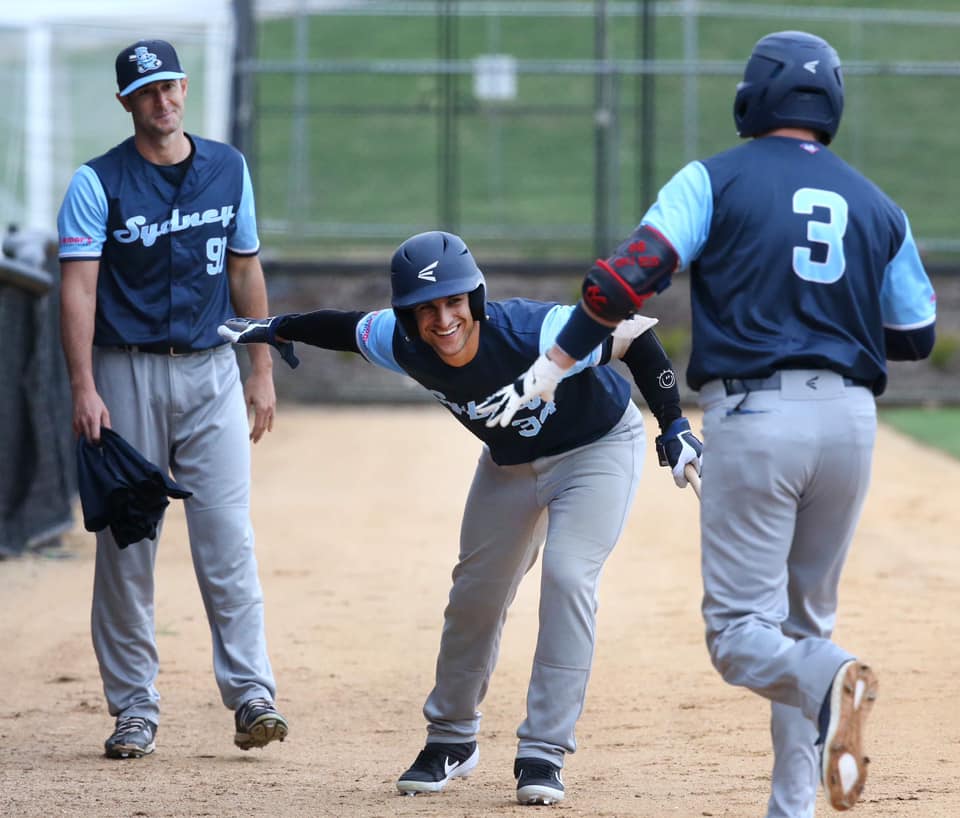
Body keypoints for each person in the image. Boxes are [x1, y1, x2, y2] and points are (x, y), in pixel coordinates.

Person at [479, 30, 936, 816]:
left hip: (759, 415)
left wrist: (552, 367)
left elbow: (624, 280)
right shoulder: (878, 204)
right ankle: (791, 803)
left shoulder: (714, 179)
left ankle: (835, 680)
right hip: (853, 422)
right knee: (805, 626)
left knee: (739, 638)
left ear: (752, 99)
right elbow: (918, 335)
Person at [218, 229, 703, 805]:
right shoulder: (398, 342)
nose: (442, 320)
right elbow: (341, 325)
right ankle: (451, 739)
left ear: (474, 298)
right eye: (425, 309)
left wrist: (672, 422)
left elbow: (634, 337)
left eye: (453, 302)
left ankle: (544, 751)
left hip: (595, 448)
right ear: (406, 316)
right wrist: (278, 329)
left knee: (569, 578)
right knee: (475, 593)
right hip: (511, 464)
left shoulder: (535, 331)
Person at [57, 39, 288, 759]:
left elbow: (246, 271)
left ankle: (253, 695)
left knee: (228, 539)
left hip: (211, 368)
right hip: (123, 374)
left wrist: (262, 365)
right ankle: (134, 709)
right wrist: (84, 387)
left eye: (170, 87)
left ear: (185, 89)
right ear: (126, 101)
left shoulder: (228, 167)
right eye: (146, 91)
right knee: (129, 543)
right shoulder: (98, 182)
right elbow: (80, 287)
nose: (162, 101)